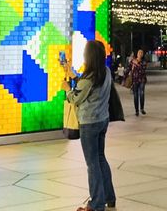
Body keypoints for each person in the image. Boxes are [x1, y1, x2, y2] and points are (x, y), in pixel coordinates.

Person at [62, 40, 116, 211]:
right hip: (102, 120)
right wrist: (74, 76)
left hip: (89, 124)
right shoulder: (105, 72)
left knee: (92, 163)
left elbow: (74, 98)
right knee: (100, 158)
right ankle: (109, 197)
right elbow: (87, 87)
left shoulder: (89, 78)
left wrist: (66, 88)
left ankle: (96, 204)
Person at [124, 49, 147, 116]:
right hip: (134, 80)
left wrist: (136, 64)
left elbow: (143, 69)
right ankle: (136, 110)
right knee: (135, 95)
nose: (140, 54)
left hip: (142, 80)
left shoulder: (144, 62)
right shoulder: (132, 61)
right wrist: (124, 77)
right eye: (139, 53)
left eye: (141, 53)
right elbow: (128, 69)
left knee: (142, 93)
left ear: (142, 55)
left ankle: (142, 108)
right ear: (137, 54)